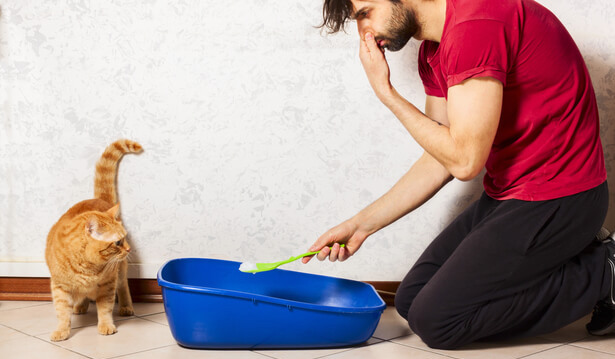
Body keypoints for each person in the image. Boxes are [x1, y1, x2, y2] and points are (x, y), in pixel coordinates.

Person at [302, 0, 614, 350]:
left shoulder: (477, 26)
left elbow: (466, 162)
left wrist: (386, 94)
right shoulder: (433, 51)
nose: (365, 32)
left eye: (365, 13)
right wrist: (360, 226)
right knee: (410, 300)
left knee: (438, 321)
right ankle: (576, 254)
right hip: (511, 194)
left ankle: (605, 273)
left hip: (562, 197)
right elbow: (441, 159)